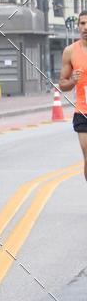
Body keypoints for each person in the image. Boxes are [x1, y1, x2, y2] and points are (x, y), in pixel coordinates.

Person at [59, 10, 87, 180]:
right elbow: (63, 84)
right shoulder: (70, 51)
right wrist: (73, 81)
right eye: (82, 23)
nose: (85, 27)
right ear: (78, 26)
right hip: (83, 113)